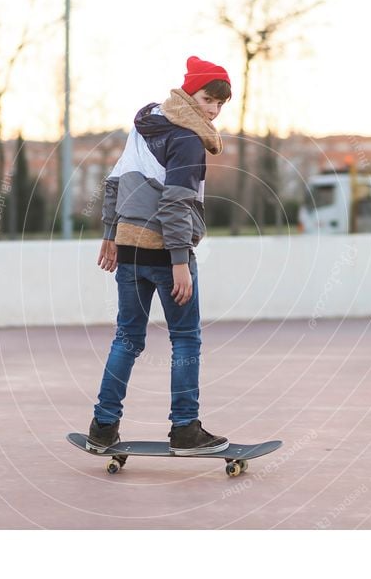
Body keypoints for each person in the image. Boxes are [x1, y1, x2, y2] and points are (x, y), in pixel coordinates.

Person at [87, 56, 232, 456]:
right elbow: (175, 203)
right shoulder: (187, 137)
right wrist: (180, 261)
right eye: (209, 99)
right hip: (166, 254)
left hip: (130, 250)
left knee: (127, 338)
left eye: (221, 104)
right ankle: (185, 429)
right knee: (186, 339)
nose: (214, 110)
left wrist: (111, 233)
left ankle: (102, 427)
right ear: (190, 93)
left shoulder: (144, 125)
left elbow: (116, 180)